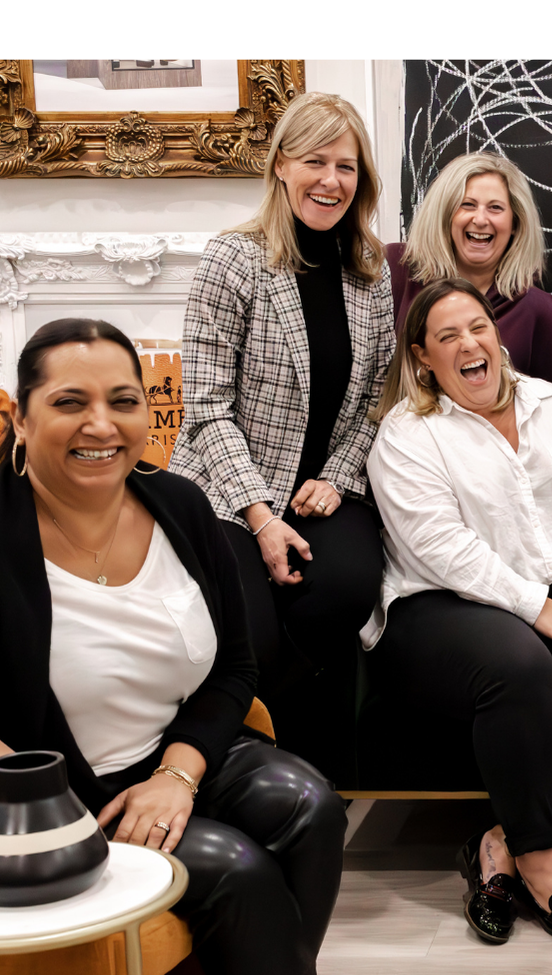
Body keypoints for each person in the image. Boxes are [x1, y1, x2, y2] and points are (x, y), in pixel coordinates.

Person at [0, 319, 344, 975]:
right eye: (70, 402)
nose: (101, 425)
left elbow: (236, 668)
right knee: (236, 871)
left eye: (123, 401)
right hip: (64, 792)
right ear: (22, 418)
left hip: (177, 752)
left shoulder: (181, 505)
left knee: (311, 806)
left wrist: (176, 776)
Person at [364, 277, 552, 947]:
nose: (469, 344)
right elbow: (439, 546)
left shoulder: (551, 405)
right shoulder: (408, 432)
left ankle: (498, 846)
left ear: (496, 334)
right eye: (447, 336)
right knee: (519, 668)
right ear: (423, 357)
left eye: (477, 327)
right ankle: (542, 865)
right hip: (436, 605)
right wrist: (538, 608)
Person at [172, 91, 394, 783]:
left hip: (324, 487)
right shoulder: (232, 259)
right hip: (228, 491)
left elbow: (376, 401)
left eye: (346, 166)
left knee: (346, 589)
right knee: (252, 625)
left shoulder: (370, 270)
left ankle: (296, 775)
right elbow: (206, 407)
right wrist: (262, 519)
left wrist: (338, 477)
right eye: (314, 162)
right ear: (280, 166)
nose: (331, 180)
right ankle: (264, 774)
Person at [390, 151, 552, 408]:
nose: (480, 220)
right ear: (445, 215)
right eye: (467, 204)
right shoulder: (395, 271)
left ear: (515, 223)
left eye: (495, 208)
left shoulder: (538, 310)